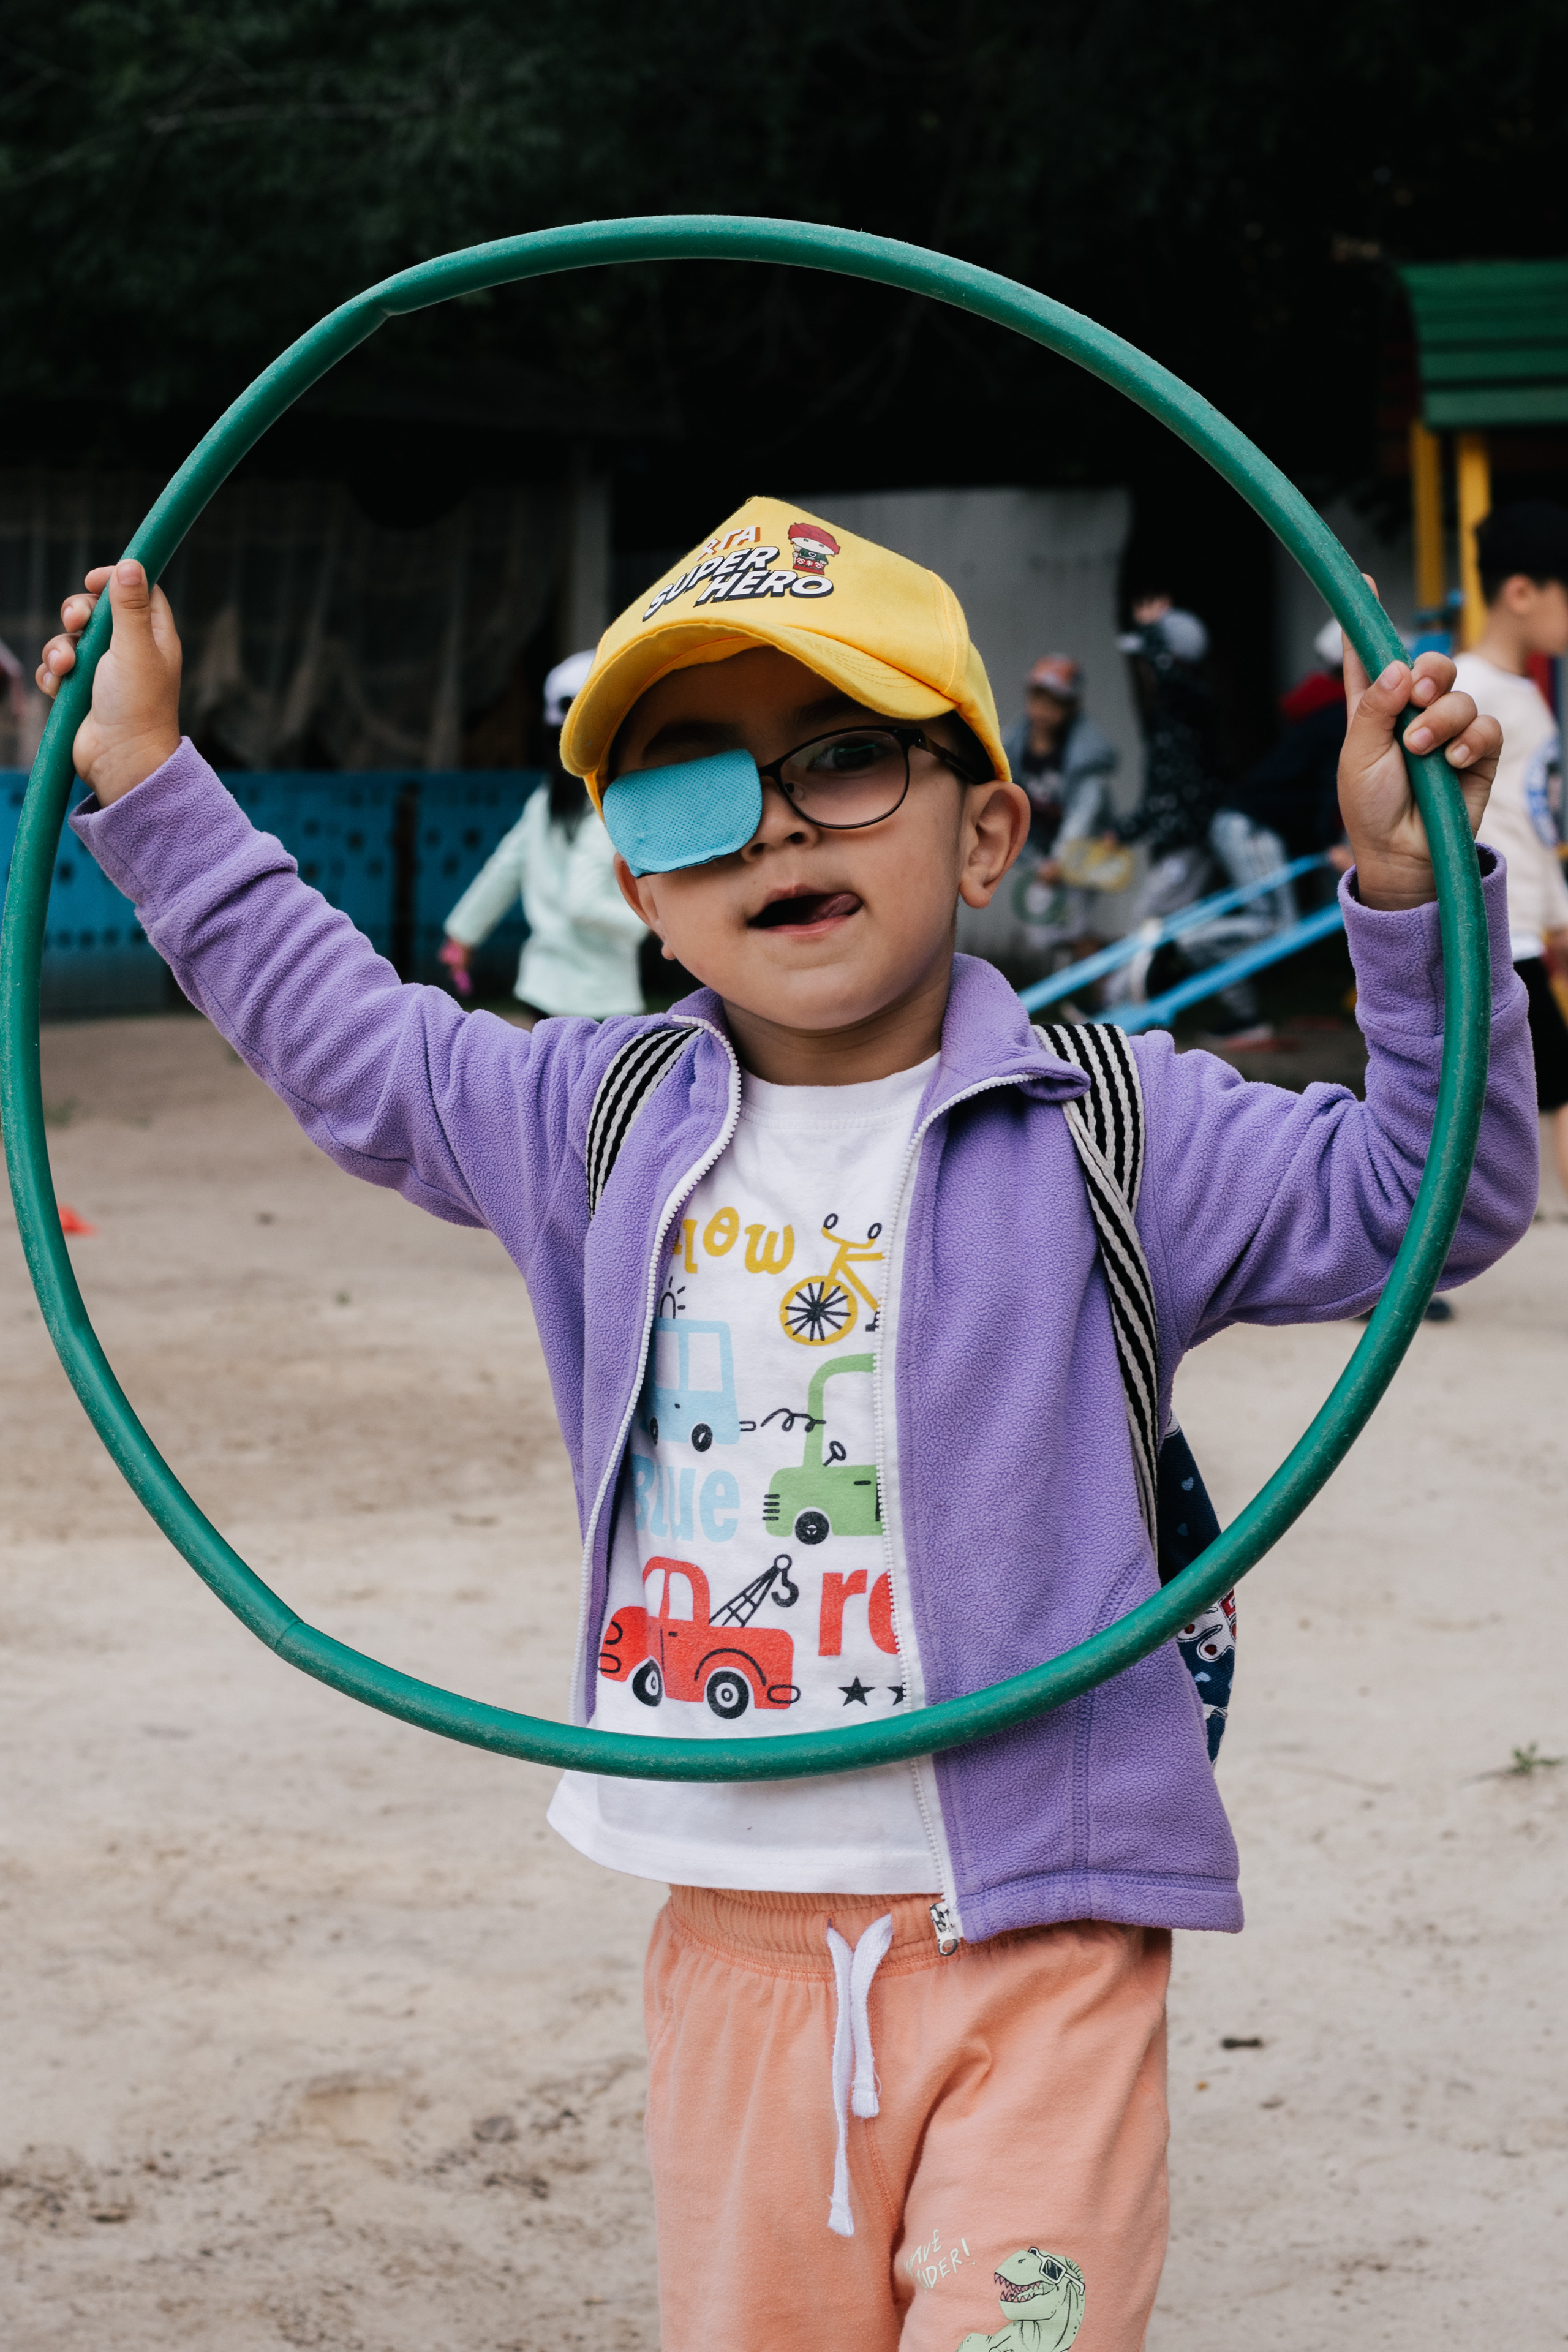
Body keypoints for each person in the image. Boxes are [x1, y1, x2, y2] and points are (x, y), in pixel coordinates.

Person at [39, 500, 1532, 2352]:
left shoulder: (1110, 1125)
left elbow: (1425, 1202)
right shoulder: (584, 1117)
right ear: (638, 890)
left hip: (1042, 1931)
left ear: (987, 826)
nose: (769, 824)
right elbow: (342, 1034)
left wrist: (1409, 897)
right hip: (734, 1930)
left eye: (841, 758)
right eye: (685, 793)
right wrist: (148, 774)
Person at [1453, 502, 1568, 1200]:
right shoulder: (1467, 690)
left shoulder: (1526, 694)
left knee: (1477, 1111)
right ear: (1522, 592)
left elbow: (1532, 823)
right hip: (1494, 935)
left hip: (1524, 932)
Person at [438, 649, 647, 1023]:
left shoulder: (545, 801)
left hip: (544, 989)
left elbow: (504, 868)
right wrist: (660, 922)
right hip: (599, 999)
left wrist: (462, 934)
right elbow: (581, 902)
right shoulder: (608, 811)